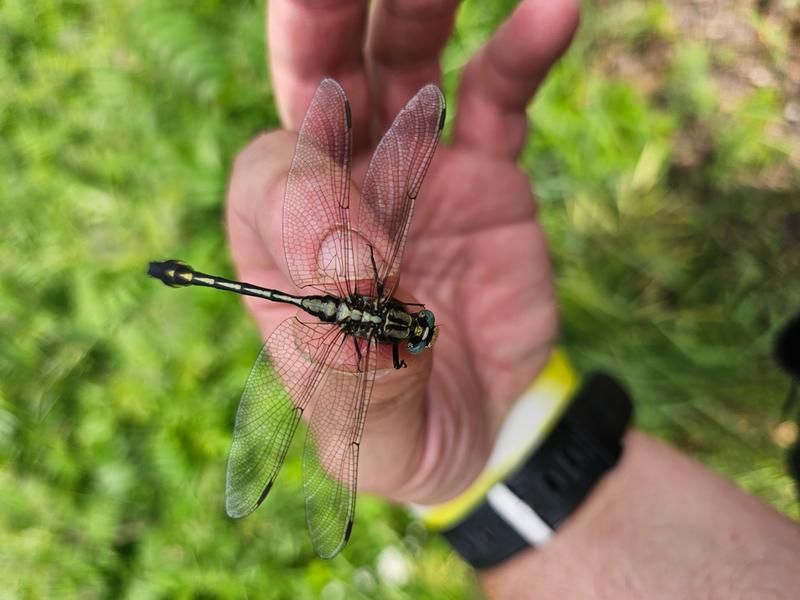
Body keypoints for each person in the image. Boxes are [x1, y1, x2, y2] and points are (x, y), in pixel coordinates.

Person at [225, 0, 800, 596]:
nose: (419, 330)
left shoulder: (393, 299)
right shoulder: (374, 295)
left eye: (415, 328)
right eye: (415, 329)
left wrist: (493, 461)